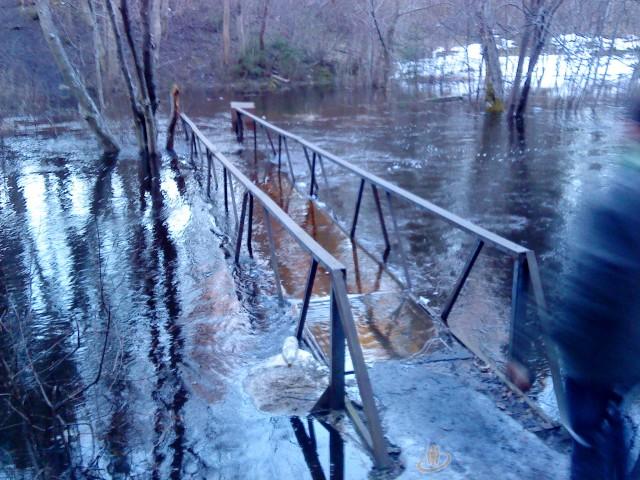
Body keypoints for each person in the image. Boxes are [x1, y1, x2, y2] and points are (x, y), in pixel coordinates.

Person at [549, 100, 640, 479]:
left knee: (589, 441)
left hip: (602, 358)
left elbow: (592, 291)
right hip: (630, 355)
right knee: (613, 428)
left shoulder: (619, 199)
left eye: (627, 122)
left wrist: (554, 337)